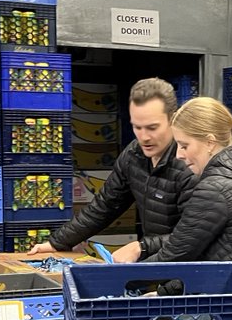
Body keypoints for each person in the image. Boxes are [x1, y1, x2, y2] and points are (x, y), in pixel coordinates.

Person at [111, 97, 232, 280]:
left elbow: (175, 255)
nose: (179, 155)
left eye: (184, 146)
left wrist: (117, 279)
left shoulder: (216, 188)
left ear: (210, 142)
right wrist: (165, 290)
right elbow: (201, 247)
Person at [30, 78, 196, 261]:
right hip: (161, 265)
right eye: (137, 127)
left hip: (192, 269)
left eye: (152, 127)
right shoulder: (134, 156)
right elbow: (105, 205)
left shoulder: (190, 165)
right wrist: (57, 242)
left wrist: (140, 248)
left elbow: (194, 234)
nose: (144, 137)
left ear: (173, 119)